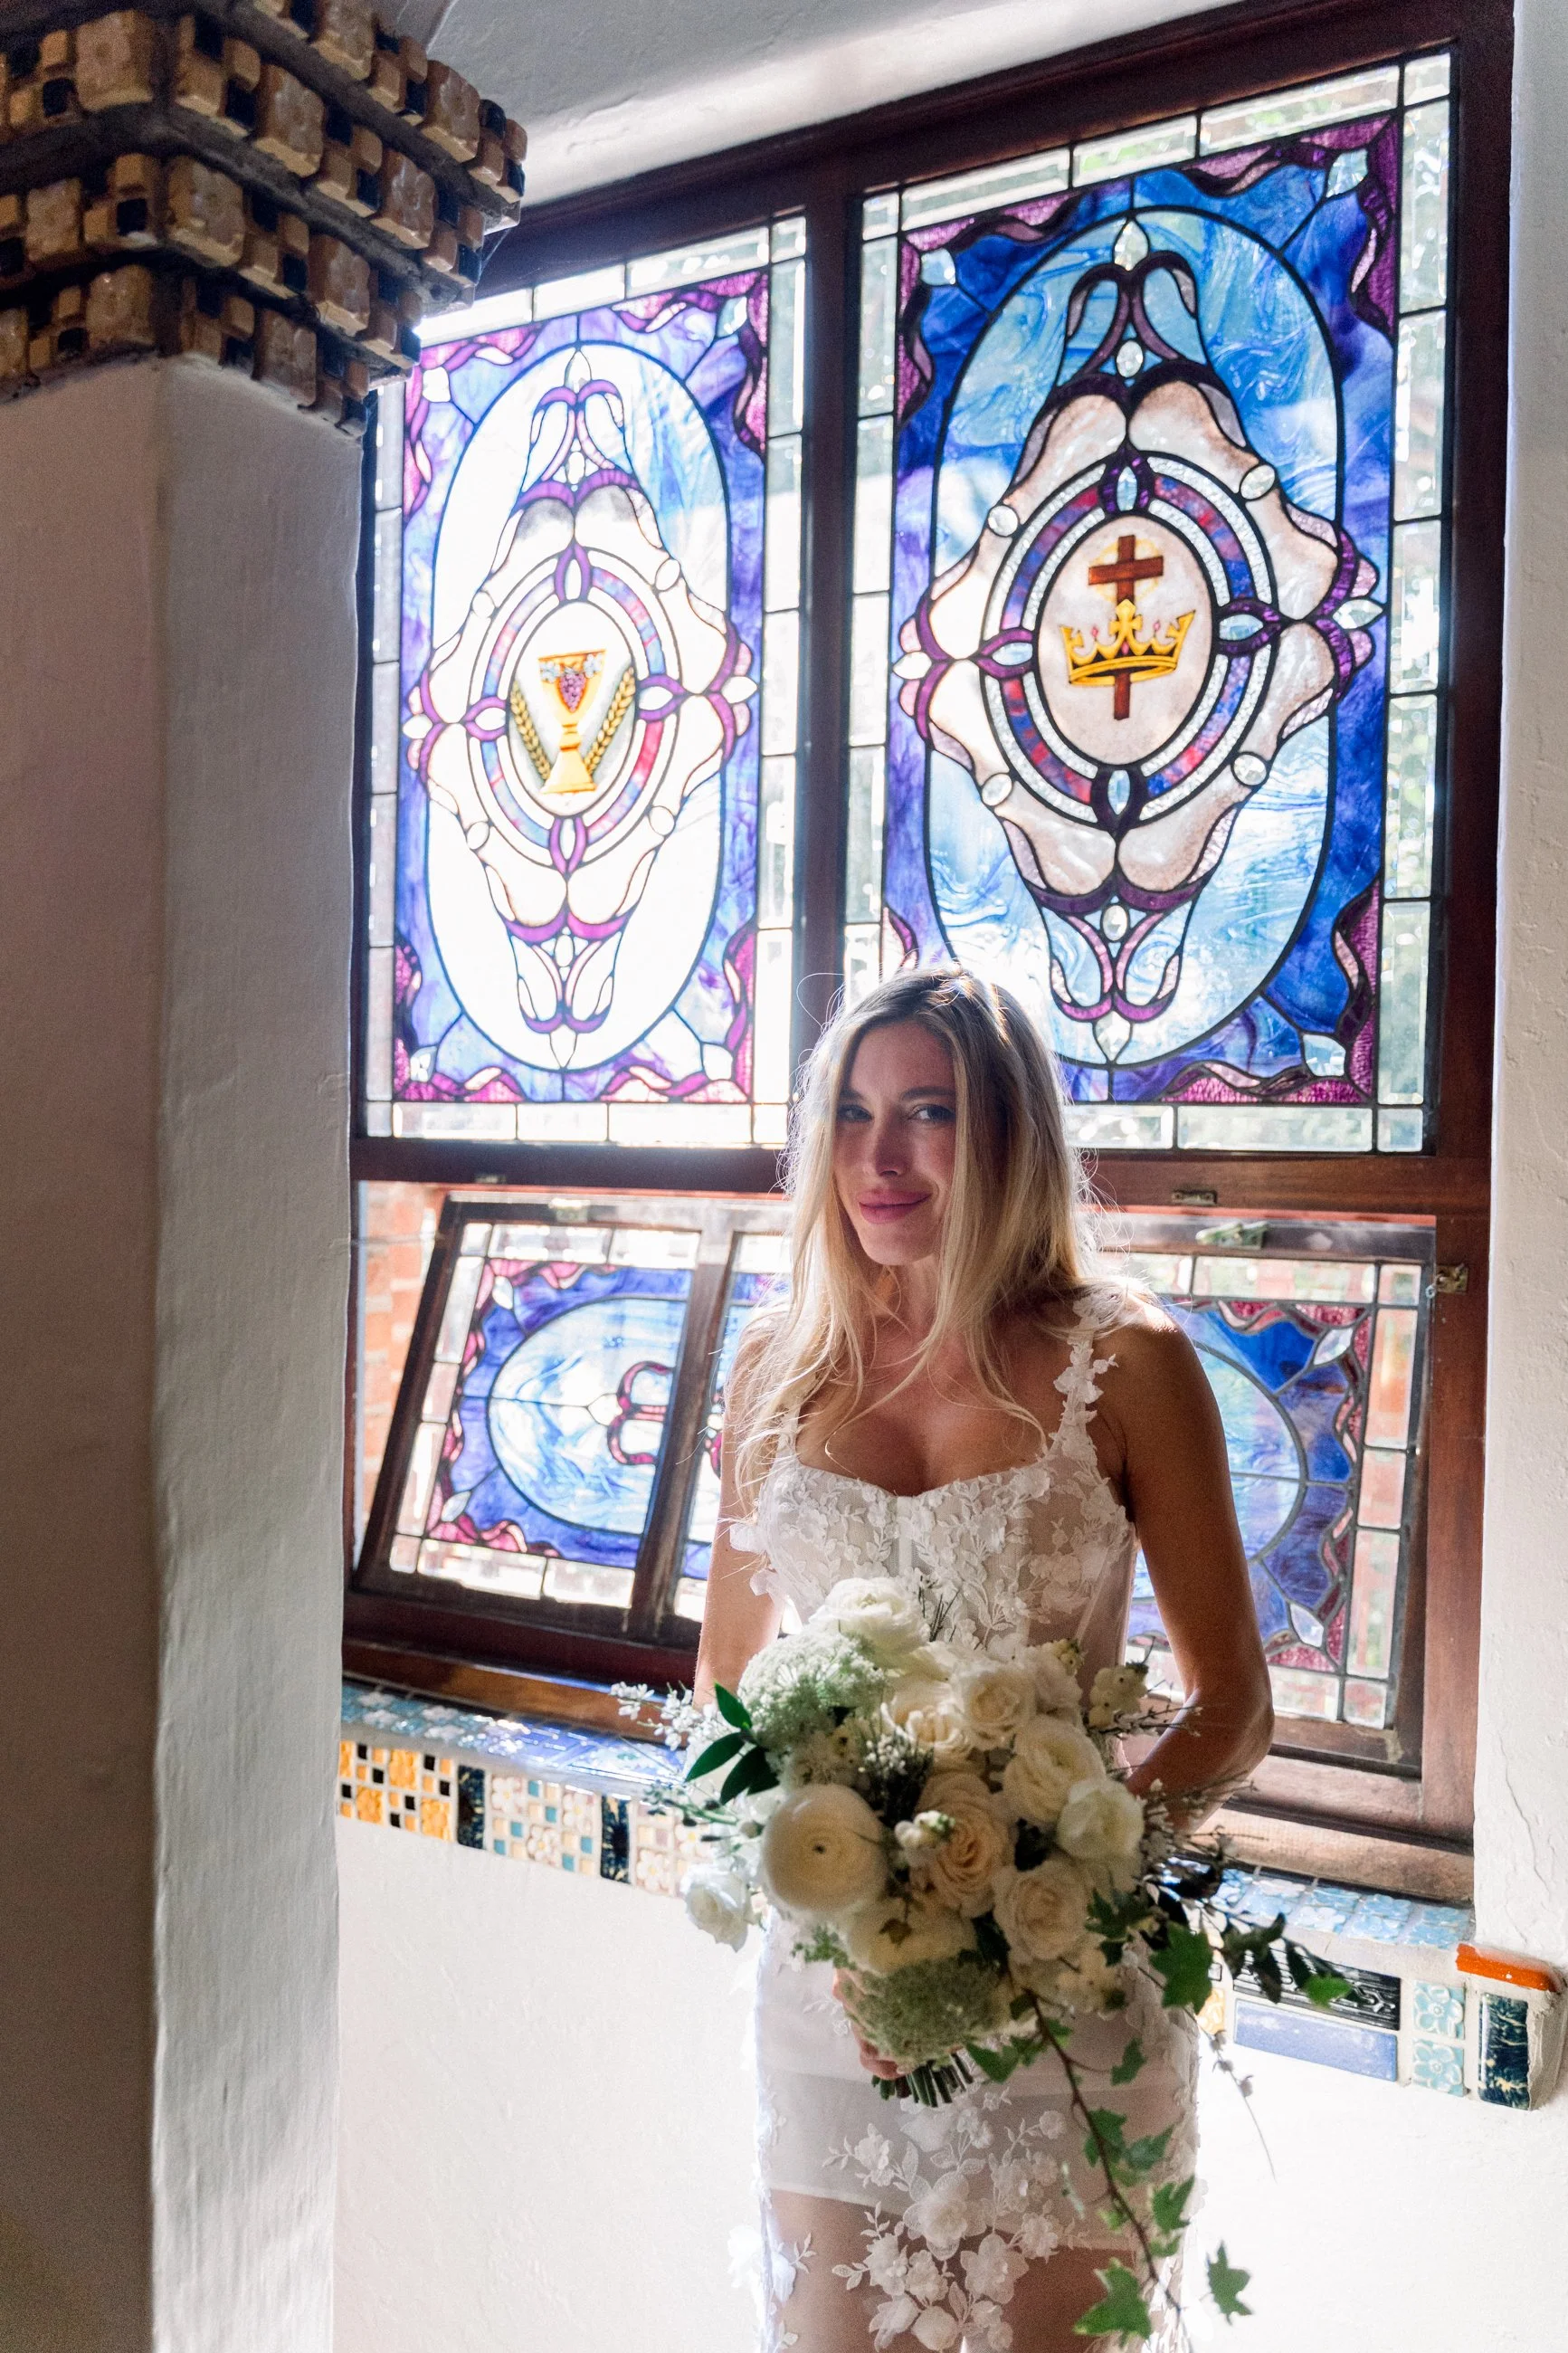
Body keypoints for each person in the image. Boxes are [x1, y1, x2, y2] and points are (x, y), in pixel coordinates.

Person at [696, 968, 1274, 2353]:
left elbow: (1235, 1709)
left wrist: (1051, 1902)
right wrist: (821, 1878)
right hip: (835, 1991)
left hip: (1070, 1989)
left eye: (929, 1112)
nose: (878, 1158)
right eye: (851, 1114)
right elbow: (728, 1690)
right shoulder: (777, 1360)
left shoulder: (1126, 1363)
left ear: (1011, 1134)